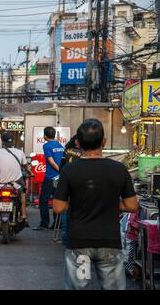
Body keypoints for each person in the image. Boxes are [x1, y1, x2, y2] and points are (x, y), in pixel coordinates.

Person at [53, 119, 138, 290]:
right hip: (110, 242)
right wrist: (111, 203)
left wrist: (78, 202)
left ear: (78, 143)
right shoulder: (119, 169)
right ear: (104, 142)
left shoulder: (69, 170)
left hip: (79, 242)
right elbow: (132, 206)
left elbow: (58, 207)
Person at [0, 132, 34, 224]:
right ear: (13, 142)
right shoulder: (20, 152)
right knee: (22, 193)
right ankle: (24, 215)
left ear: (2, 142)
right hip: (16, 183)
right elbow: (26, 166)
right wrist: (30, 173)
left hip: (1, 183)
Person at [33, 127, 64, 231]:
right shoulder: (60, 145)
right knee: (57, 199)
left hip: (50, 177)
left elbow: (51, 161)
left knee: (43, 200)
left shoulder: (46, 146)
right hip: (59, 178)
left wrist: (59, 170)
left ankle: (44, 223)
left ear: (45, 136)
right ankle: (57, 224)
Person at [58, 134, 82, 245]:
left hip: (67, 184)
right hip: (80, 185)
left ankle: (65, 237)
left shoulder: (67, 151)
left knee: (66, 210)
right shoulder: (84, 153)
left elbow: (61, 168)